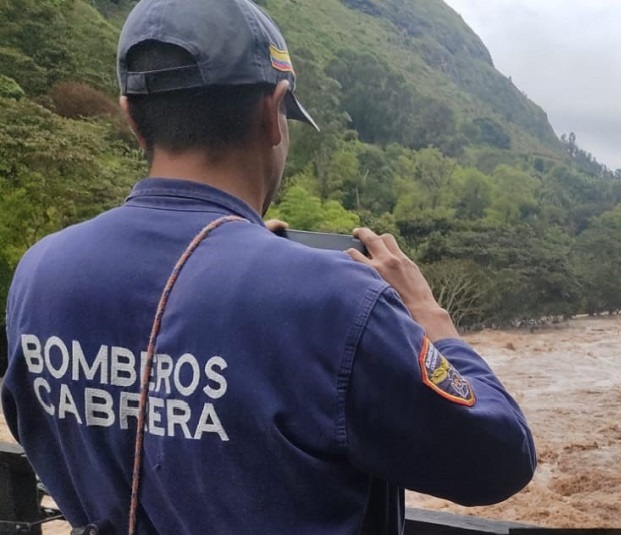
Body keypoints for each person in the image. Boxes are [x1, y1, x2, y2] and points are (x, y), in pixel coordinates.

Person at [0, 0, 536, 533]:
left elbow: (38, 426)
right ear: (272, 112)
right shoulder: (335, 300)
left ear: (132, 118)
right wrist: (429, 317)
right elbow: (498, 459)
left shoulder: (40, 272)